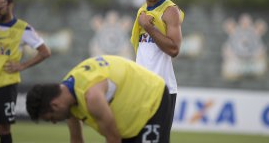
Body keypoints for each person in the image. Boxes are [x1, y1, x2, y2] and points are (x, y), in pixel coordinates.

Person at [26, 55, 171, 143]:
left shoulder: (92, 96)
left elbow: (113, 139)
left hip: (152, 97)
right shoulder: (67, 99)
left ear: (55, 104)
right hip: (129, 120)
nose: (54, 122)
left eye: (50, 117)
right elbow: (76, 140)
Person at [130, 0, 184, 138]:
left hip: (162, 91)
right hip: (140, 89)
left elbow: (174, 49)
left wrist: (150, 28)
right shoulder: (142, 11)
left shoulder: (170, 11)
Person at [0, 0, 51, 143]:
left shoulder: (23, 29)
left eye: (0, 4)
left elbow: (45, 52)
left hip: (4, 85)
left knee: (3, 129)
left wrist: (22, 66)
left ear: (10, 5)